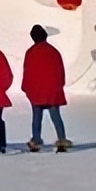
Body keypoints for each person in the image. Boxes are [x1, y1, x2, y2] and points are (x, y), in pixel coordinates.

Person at [22, 25, 71, 153]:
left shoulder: (30, 52)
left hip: (36, 91)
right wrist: (59, 85)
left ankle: (36, 140)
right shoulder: (53, 52)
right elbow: (60, 71)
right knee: (56, 117)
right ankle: (61, 139)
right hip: (52, 90)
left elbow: (27, 72)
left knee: (36, 118)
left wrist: (26, 88)